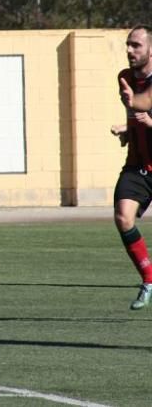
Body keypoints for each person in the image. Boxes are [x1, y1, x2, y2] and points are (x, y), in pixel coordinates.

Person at [110, 25, 152, 309]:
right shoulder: (125, 77)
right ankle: (149, 279)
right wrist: (129, 130)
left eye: (136, 45)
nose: (129, 50)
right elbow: (137, 111)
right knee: (123, 217)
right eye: (128, 44)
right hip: (139, 165)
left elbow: (142, 103)